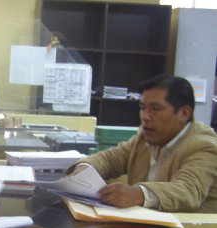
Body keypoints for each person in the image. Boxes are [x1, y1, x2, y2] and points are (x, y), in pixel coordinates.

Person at [66, 74, 217, 212]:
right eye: (143, 108)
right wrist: (84, 169)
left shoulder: (204, 146)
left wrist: (140, 195)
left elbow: (188, 190)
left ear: (184, 113)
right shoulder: (147, 136)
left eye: (155, 109)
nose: (145, 116)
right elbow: (112, 158)